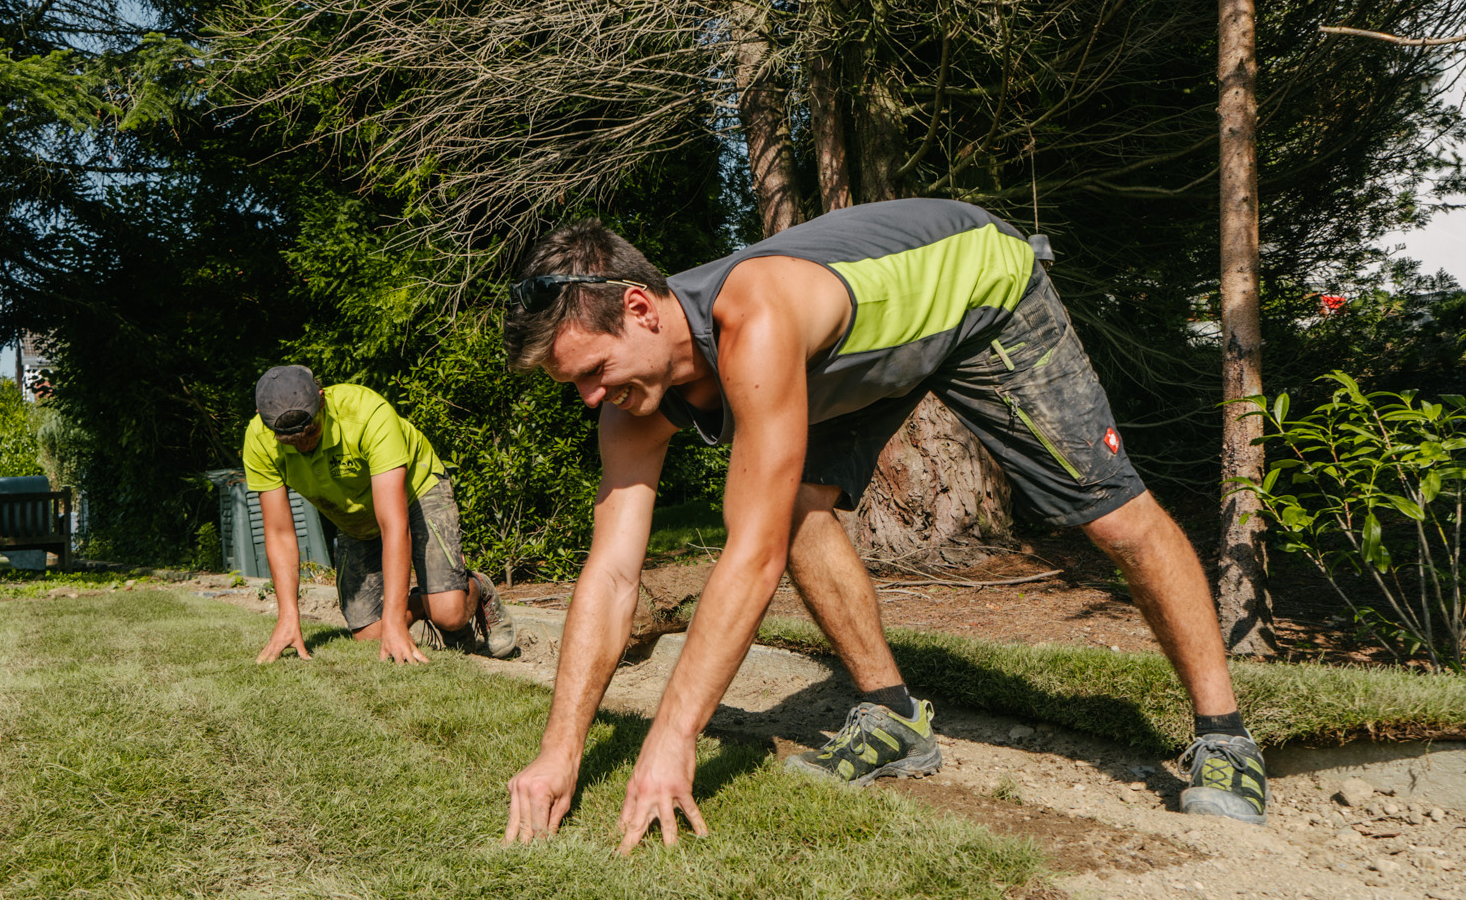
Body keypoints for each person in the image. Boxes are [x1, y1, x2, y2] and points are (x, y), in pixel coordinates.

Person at [497, 199, 1269, 852]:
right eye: (573, 385)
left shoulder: (754, 322)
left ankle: (1225, 735)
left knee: (1113, 516)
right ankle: (894, 719)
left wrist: (672, 739)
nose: (590, 399)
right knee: (795, 509)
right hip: (848, 359)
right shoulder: (632, 407)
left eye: (593, 372)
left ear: (637, 307)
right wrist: (557, 752)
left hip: (977, 289)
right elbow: (612, 571)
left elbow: (749, 556)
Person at [242, 365, 515, 664]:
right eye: (291, 441)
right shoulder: (258, 440)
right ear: (261, 417)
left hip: (417, 492)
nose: (304, 445)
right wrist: (288, 616)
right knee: (369, 633)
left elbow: (394, 525)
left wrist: (397, 622)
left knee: (449, 614)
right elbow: (280, 534)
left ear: (322, 399)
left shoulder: (367, 414)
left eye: (311, 432)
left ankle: (476, 588)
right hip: (354, 516)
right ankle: (428, 601)